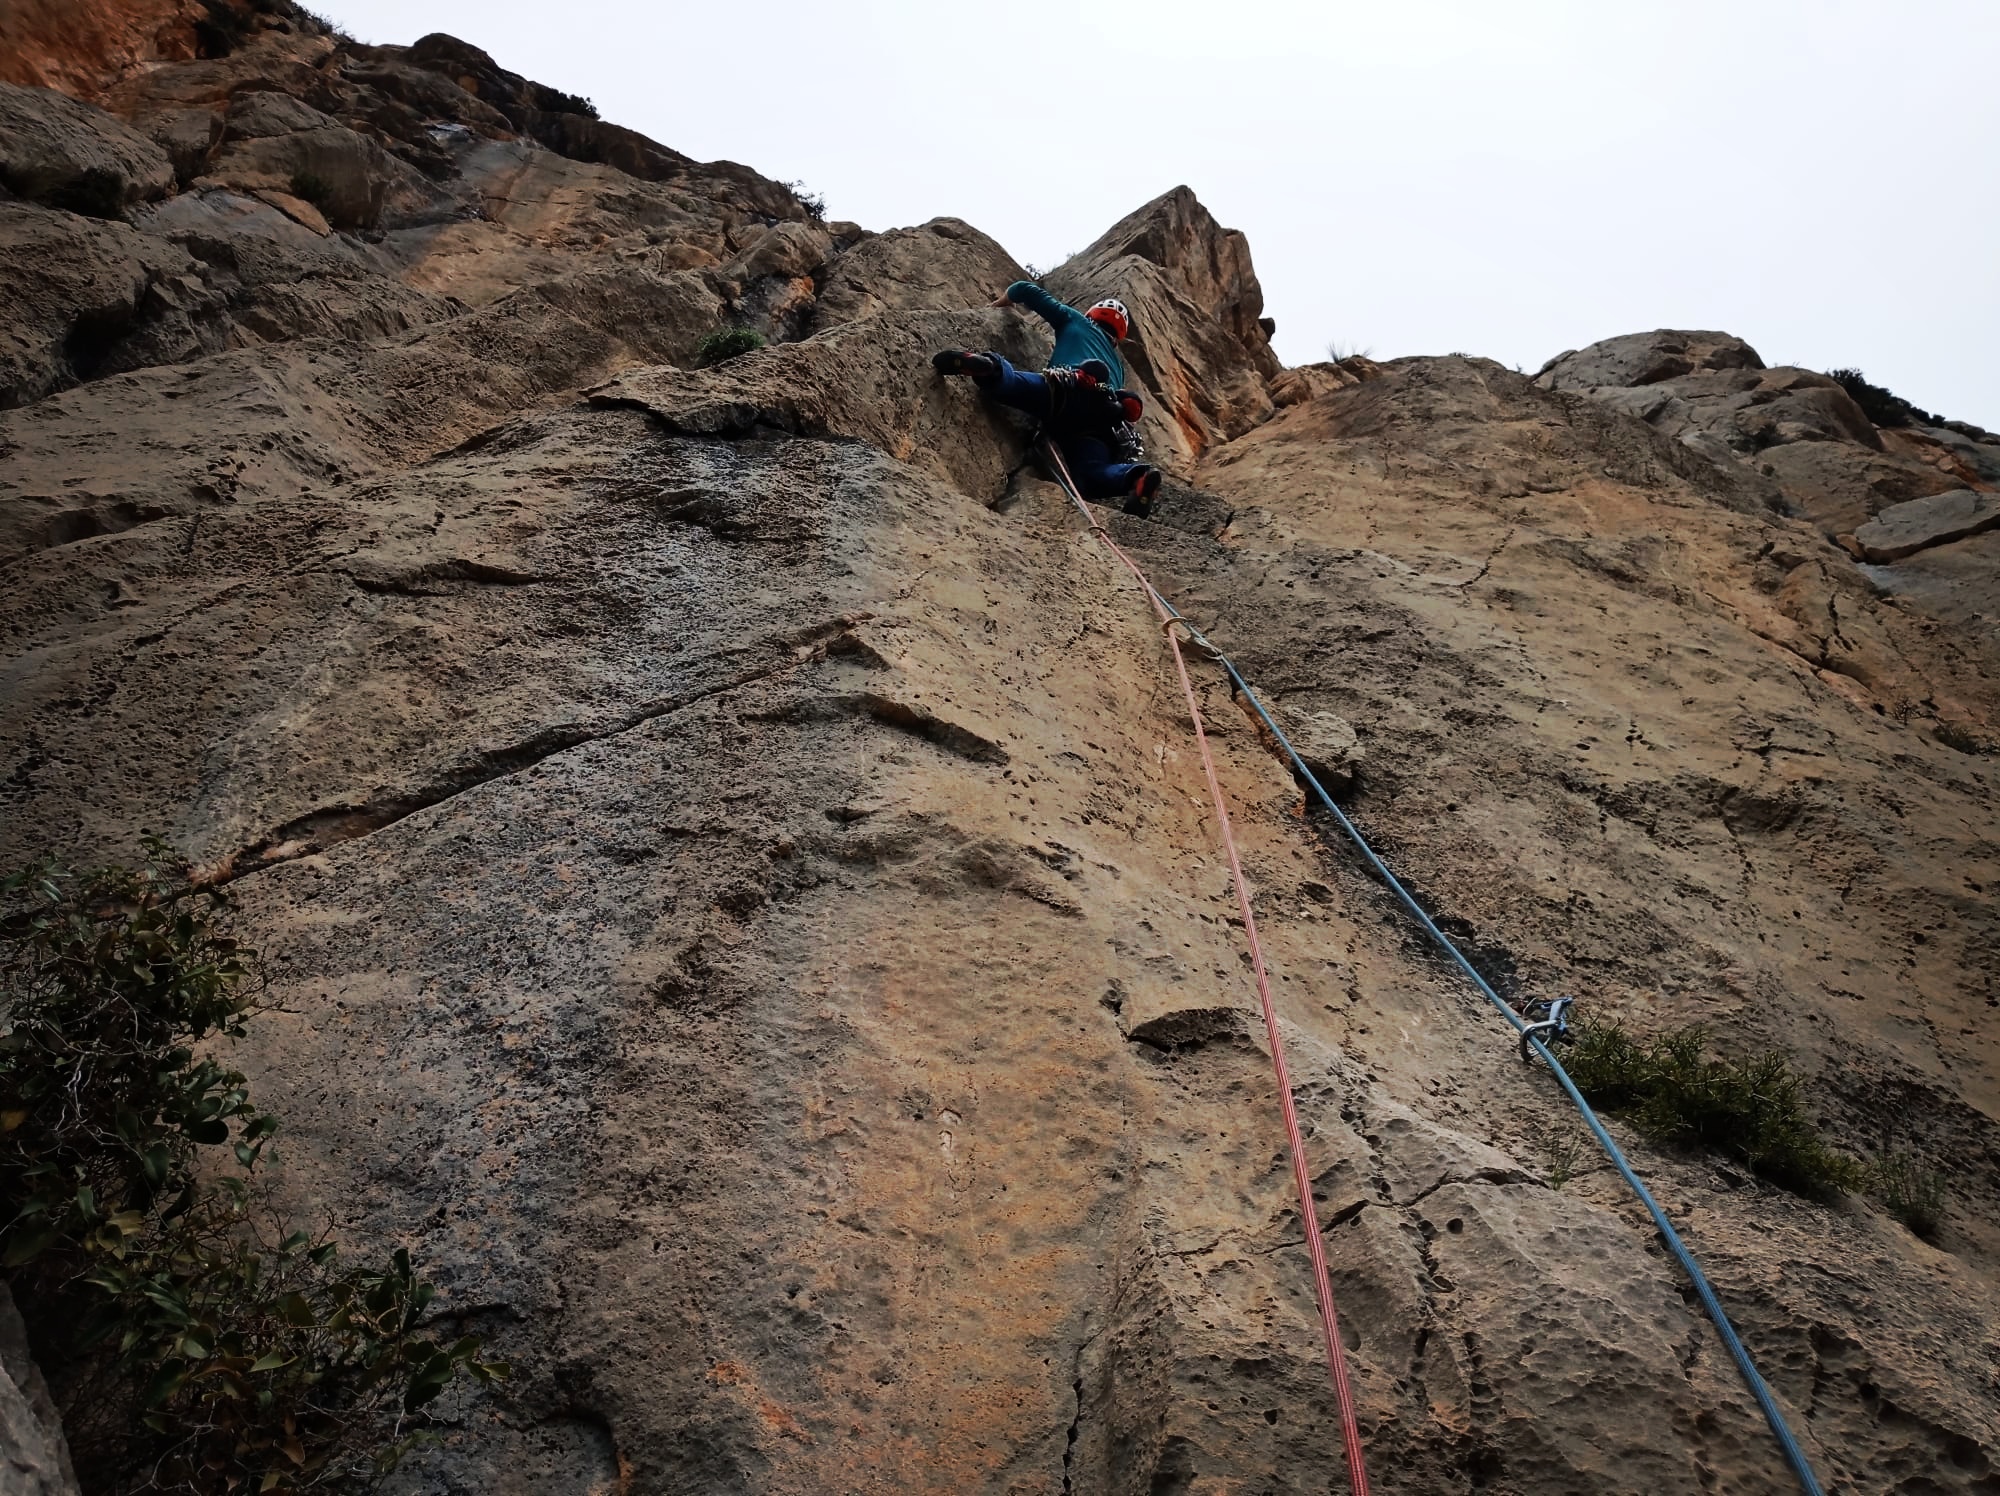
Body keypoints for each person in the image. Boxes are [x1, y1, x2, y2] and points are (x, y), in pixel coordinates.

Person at [932, 281, 1162, 515]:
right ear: (1118, 337)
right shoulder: (1118, 367)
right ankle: (1137, 477)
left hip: (1067, 389)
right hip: (1103, 418)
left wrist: (1001, 303)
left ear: (1092, 314)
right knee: (1091, 475)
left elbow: (1024, 290)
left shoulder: (1077, 321)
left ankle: (989, 367)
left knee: (1011, 384)